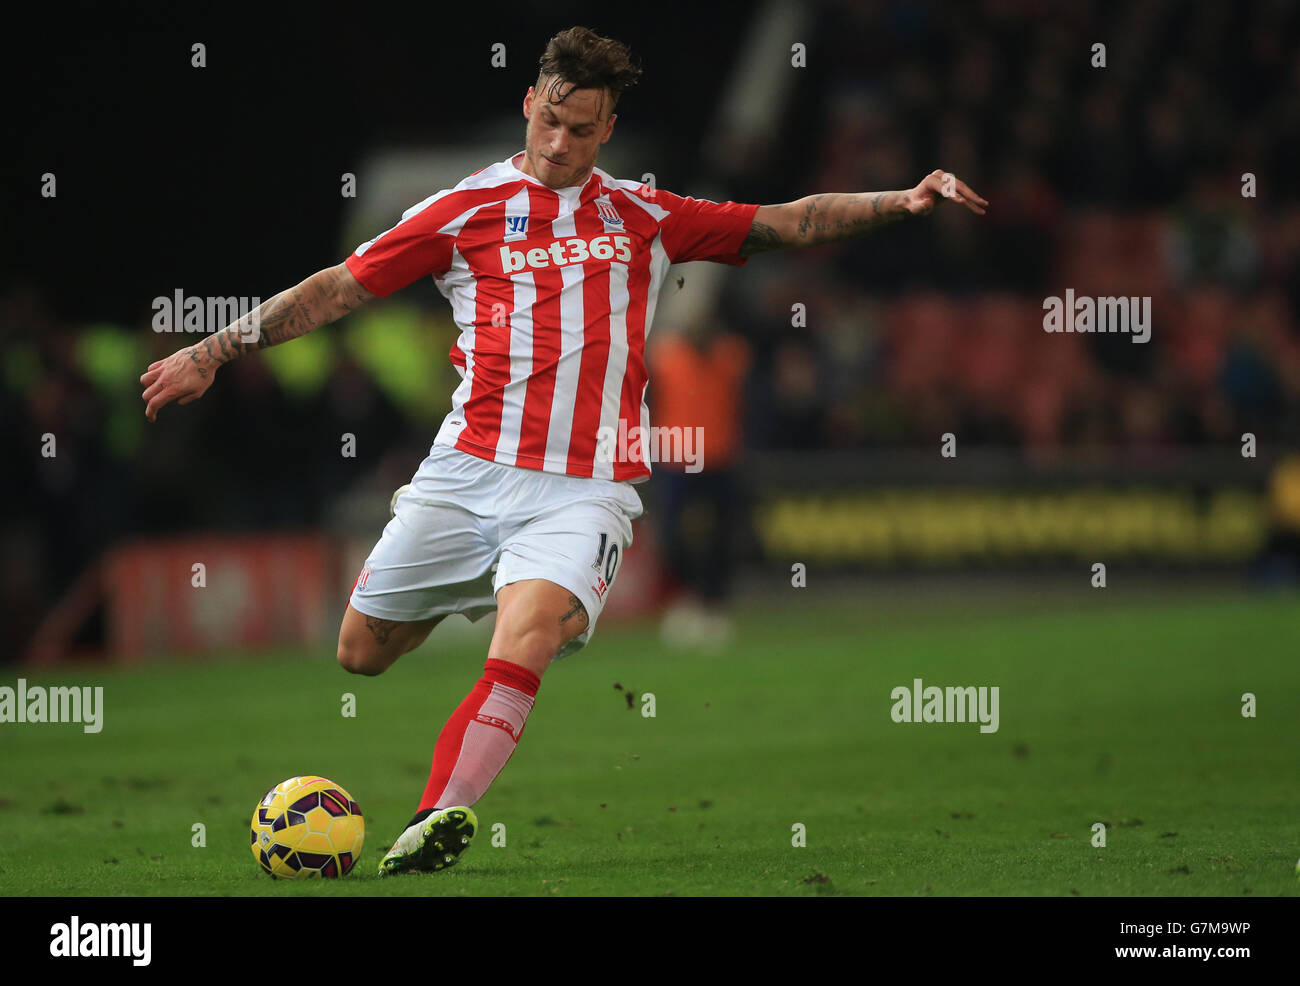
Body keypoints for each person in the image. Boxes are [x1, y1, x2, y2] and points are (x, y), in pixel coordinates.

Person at [138, 25, 987, 876]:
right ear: (529, 103)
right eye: (550, 120)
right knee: (360, 653)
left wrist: (898, 200)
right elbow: (335, 289)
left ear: (609, 128)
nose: (559, 143)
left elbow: (786, 222)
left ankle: (441, 814)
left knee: (530, 631)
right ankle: (482, 590)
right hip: (467, 474)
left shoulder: (644, 216)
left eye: (582, 129)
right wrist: (210, 352)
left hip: (583, 488)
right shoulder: (462, 211)